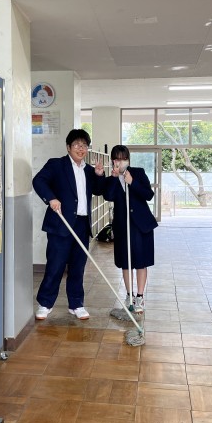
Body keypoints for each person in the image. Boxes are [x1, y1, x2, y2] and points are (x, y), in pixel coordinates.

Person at [33, 129, 105, 320]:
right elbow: (38, 181)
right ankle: (45, 303)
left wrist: (99, 175)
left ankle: (76, 304)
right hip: (61, 224)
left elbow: (99, 191)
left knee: (78, 267)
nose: (81, 149)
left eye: (84, 145)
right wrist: (51, 198)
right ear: (68, 147)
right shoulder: (57, 165)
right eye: (77, 145)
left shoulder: (89, 170)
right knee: (55, 266)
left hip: (82, 224)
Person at [103, 145, 158, 313]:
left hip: (141, 226)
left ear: (128, 159)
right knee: (125, 263)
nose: (121, 162)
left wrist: (132, 182)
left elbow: (148, 194)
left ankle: (140, 297)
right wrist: (114, 178)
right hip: (122, 226)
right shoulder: (112, 178)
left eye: (124, 158)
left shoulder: (138, 173)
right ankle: (129, 295)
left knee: (141, 261)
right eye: (117, 159)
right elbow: (108, 196)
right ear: (113, 161)